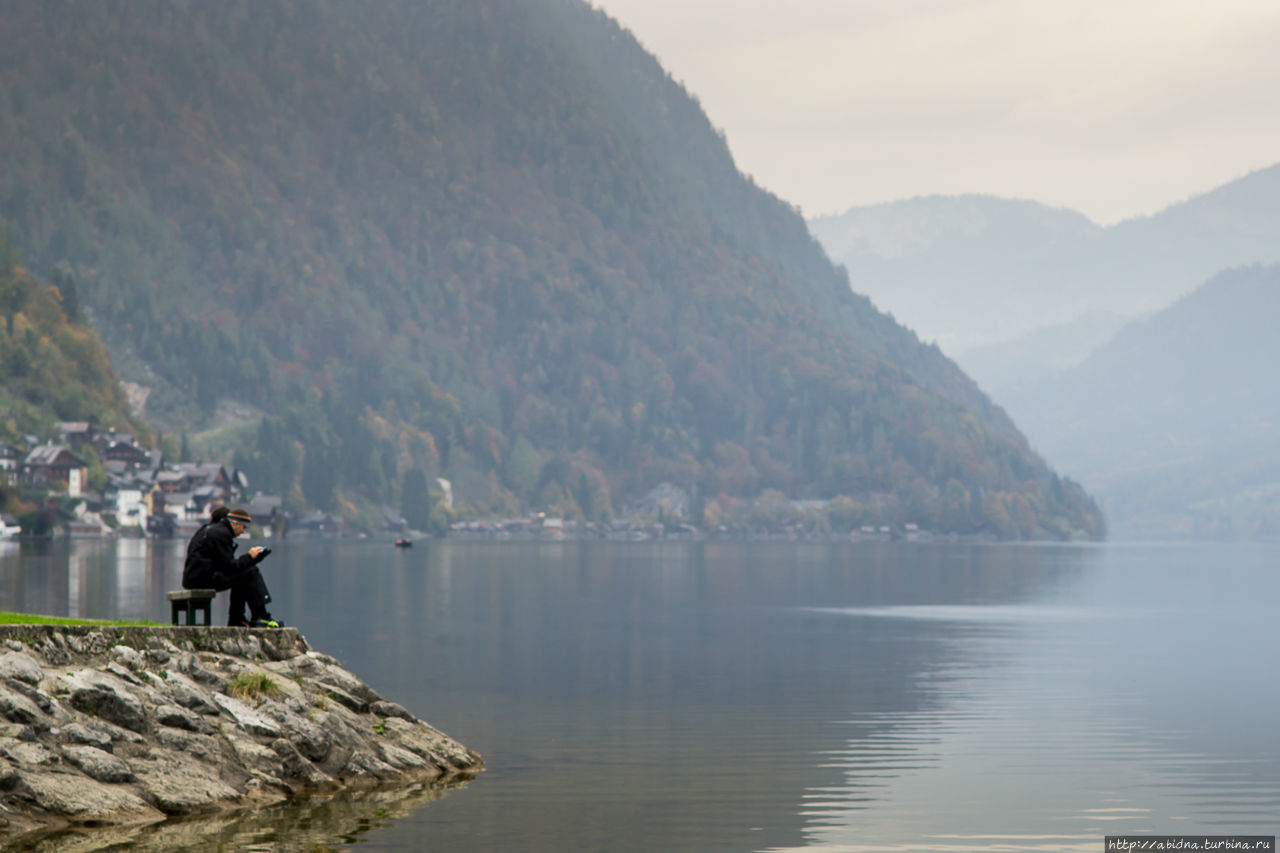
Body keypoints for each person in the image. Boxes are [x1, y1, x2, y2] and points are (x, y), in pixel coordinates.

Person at [183, 506, 281, 627]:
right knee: (250, 572)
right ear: (234, 524)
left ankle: (238, 619)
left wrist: (253, 558)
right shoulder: (222, 534)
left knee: (243, 575)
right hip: (202, 579)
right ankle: (260, 616)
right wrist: (250, 557)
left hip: (194, 577)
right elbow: (229, 567)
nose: (244, 531)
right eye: (244, 527)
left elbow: (228, 566)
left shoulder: (209, 529)